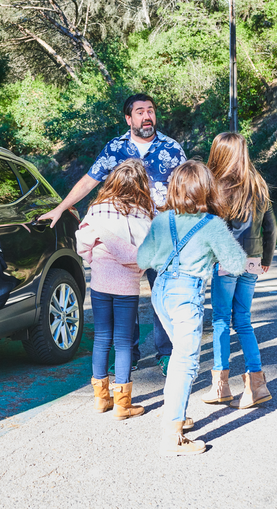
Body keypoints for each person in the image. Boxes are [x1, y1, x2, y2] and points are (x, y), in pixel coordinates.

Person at [40, 93, 187, 375]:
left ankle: (166, 352)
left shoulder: (171, 147)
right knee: (125, 296)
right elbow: (89, 180)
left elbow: (185, 187)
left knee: (163, 294)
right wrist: (60, 208)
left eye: (151, 111)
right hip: (126, 236)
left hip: (161, 236)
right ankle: (127, 353)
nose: (147, 116)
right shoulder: (115, 148)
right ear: (128, 118)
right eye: (141, 111)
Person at [137, 160, 246, 456]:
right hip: (186, 294)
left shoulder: (162, 220)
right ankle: (172, 437)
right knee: (186, 361)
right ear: (206, 190)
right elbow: (235, 263)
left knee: (178, 356)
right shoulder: (211, 224)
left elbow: (143, 258)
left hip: (160, 291)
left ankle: (176, 413)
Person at [201, 132, 277, 409]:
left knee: (221, 320)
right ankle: (256, 384)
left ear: (219, 154)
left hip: (228, 260)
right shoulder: (257, 183)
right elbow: (270, 225)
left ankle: (220, 386)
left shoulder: (217, 186)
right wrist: (265, 257)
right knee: (243, 320)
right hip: (253, 260)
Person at [76, 159, 153, 420]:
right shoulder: (143, 214)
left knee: (101, 338)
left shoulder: (97, 210)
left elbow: (83, 243)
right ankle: (122, 404)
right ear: (141, 186)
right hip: (127, 285)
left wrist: (95, 261)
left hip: (100, 283)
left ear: (112, 182)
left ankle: (101, 398)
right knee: (123, 343)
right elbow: (147, 253)